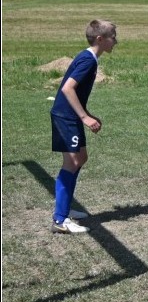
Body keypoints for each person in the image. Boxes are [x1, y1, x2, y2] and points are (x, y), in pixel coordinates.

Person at [49, 19, 117, 233]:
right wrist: (84, 118)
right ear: (100, 39)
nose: (116, 40)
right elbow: (68, 89)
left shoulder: (90, 57)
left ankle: (65, 208)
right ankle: (60, 220)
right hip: (66, 116)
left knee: (81, 158)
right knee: (72, 162)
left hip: (71, 115)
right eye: (113, 36)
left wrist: (86, 114)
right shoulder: (88, 60)